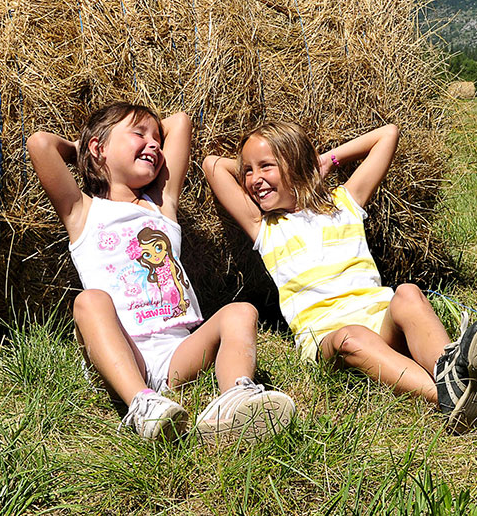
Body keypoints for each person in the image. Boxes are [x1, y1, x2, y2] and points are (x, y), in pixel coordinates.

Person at [203, 121, 477, 434]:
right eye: (248, 170)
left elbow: (388, 135)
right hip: (330, 339)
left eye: (266, 167)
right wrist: (256, 162)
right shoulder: (266, 229)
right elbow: (212, 165)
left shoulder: (344, 203)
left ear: (296, 164)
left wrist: (321, 161)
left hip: (382, 320)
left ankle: (450, 373)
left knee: (409, 293)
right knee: (351, 338)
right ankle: (455, 397)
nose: (254, 179)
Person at [27, 102, 294, 442]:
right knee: (89, 301)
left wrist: (134, 138)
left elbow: (180, 122)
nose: (154, 143)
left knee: (241, 311)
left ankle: (236, 398)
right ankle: (141, 403)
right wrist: (85, 149)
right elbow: (40, 144)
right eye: (139, 134)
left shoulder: (162, 206)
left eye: (156, 138)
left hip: (177, 352)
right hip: (121, 353)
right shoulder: (81, 211)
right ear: (99, 148)